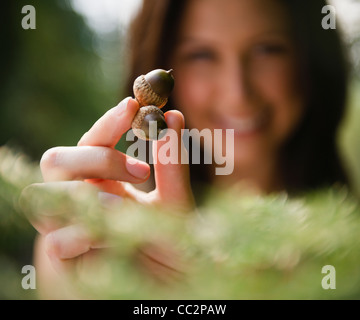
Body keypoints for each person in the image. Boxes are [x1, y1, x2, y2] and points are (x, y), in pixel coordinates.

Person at [26, 0, 350, 297]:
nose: (237, 93)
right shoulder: (90, 242)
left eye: (268, 49)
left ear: (311, 57)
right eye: (201, 54)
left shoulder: (350, 250)